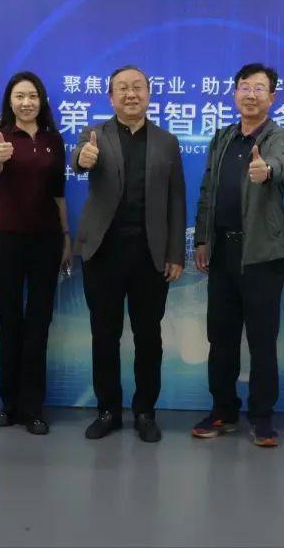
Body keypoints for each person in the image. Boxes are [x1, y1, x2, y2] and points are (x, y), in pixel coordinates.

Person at [71, 65, 186, 443]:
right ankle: (107, 410)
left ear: (149, 94)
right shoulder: (94, 134)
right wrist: (82, 159)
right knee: (104, 335)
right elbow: (77, 158)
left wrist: (175, 253)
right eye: (122, 88)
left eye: (137, 87)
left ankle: (145, 411)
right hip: (103, 252)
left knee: (148, 337)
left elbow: (177, 200)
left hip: (150, 255)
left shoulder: (167, 141)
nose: (131, 94)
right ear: (111, 97)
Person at [191, 63, 284, 448]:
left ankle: (262, 416)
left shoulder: (278, 136)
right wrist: (202, 239)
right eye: (244, 87)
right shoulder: (222, 138)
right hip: (222, 251)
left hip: (262, 256)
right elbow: (207, 191)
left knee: (262, 341)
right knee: (221, 337)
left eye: (259, 88)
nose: (251, 95)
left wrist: (266, 169)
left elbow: (282, 163)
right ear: (235, 93)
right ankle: (223, 410)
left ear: (272, 96)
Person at [0, 72, 72, 436]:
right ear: (10, 100)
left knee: (38, 325)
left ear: (41, 100)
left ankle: (33, 407)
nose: (26, 102)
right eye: (19, 96)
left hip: (46, 241)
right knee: (10, 323)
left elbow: (59, 194)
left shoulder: (54, 140)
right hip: (6, 240)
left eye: (32, 96)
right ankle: (10, 405)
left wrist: (66, 237)